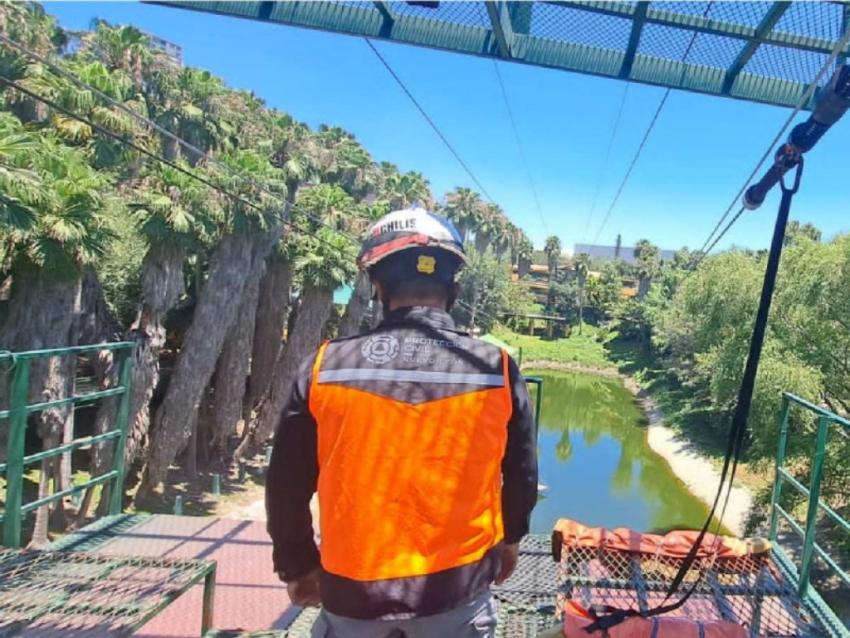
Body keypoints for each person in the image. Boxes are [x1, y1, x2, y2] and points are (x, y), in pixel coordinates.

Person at [266, 206, 538, 637]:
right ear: (456, 289)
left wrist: (297, 566)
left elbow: (286, 484)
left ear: (377, 287)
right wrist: (511, 540)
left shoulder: (324, 366)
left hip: (351, 595)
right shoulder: (496, 369)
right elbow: (521, 472)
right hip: (458, 591)